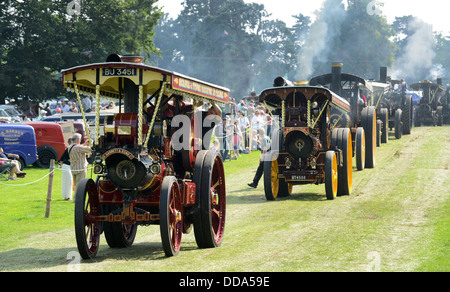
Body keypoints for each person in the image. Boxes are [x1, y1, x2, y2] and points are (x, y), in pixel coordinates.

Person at [69, 133, 91, 200]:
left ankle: (76, 198)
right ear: (78, 139)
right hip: (80, 168)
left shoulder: (70, 147)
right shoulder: (78, 147)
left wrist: (85, 143)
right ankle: (77, 199)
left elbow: (80, 147)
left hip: (74, 168)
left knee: (76, 185)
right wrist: (91, 144)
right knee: (80, 186)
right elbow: (89, 150)